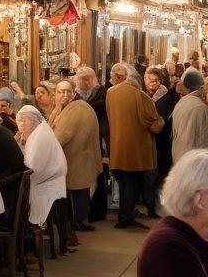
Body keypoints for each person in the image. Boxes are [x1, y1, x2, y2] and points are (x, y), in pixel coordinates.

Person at [105, 63, 164, 230]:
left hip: (117, 146)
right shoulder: (139, 95)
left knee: (123, 182)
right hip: (136, 149)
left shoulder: (111, 93)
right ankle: (126, 217)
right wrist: (160, 121)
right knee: (132, 183)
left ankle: (123, 216)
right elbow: (152, 123)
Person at [50, 80, 101, 234]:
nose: (64, 95)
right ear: (55, 94)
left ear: (74, 92)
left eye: (68, 91)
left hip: (77, 159)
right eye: (60, 92)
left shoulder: (76, 109)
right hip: (80, 159)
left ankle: (79, 222)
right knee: (80, 192)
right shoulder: (67, 108)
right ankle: (79, 221)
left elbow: (61, 136)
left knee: (79, 193)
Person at [16, 106, 67, 232]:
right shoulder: (40, 131)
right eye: (19, 121)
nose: (21, 125)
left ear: (34, 121)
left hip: (47, 182)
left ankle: (21, 231)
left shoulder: (40, 136)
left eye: (24, 121)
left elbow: (33, 168)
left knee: (14, 193)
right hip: (50, 178)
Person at [143, 66, 180, 217]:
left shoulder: (166, 98)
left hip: (160, 144)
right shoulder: (145, 95)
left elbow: (162, 122)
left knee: (155, 178)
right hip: (150, 144)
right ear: (145, 80)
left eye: (156, 80)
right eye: (150, 80)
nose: (153, 83)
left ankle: (156, 209)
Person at [75, 66, 110, 224]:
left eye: (79, 81)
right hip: (91, 139)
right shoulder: (92, 94)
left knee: (98, 173)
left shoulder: (100, 95)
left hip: (97, 139)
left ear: (87, 80)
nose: (77, 84)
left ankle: (97, 210)